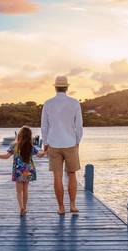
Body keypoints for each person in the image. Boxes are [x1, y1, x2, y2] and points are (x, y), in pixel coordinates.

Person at [41, 75, 83, 215]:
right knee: (72, 175)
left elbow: (44, 126)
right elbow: (79, 126)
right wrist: (77, 141)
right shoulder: (74, 103)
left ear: (55, 87)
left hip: (54, 143)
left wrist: (45, 143)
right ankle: (72, 205)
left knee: (57, 177)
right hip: (70, 142)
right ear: (67, 87)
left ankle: (61, 208)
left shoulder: (48, 103)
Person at [0, 126, 47, 216]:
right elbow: (39, 155)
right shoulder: (30, 147)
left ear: (20, 135)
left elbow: (6, 156)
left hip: (18, 171)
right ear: (29, 136)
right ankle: (25, 208)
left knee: (18, 192)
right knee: (25, 190)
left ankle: (21, 207)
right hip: (28, 171)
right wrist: (46, 151)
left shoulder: (15, 146)